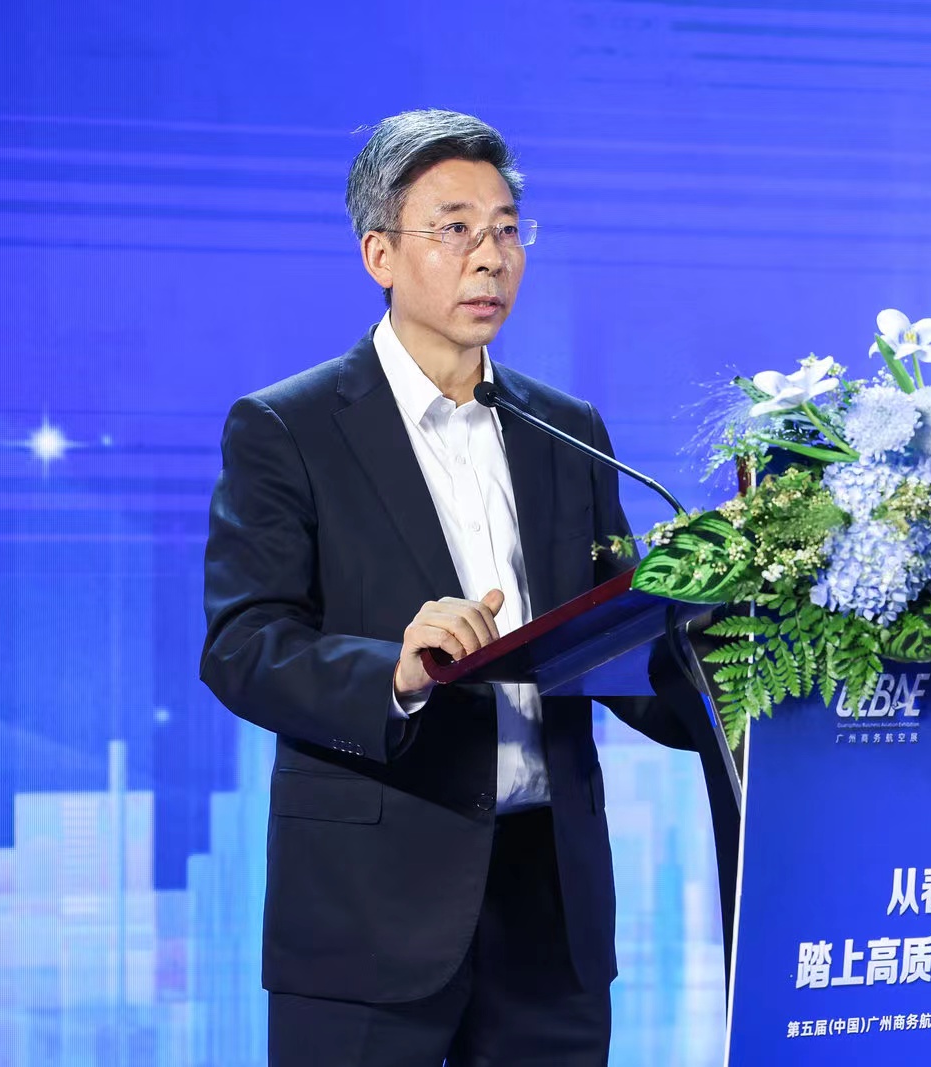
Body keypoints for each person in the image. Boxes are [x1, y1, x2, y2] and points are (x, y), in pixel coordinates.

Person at [200, 109, 698, 1066]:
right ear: (379, 254)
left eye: (507, 229)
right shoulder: (288, 427)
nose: (490, 257)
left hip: (549, 909)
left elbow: (621, 647)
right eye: (456, 228)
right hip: (368, 908)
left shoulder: (568, 429)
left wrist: (742, 660)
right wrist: (394, 670)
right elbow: (243, 644)